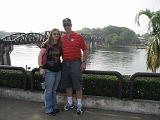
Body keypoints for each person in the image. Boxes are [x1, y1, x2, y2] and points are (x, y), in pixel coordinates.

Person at [60, 18, 88, 115]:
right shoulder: (62, 38)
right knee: (67, 84)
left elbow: (85, 49)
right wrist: (44, 44)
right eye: (65, 25)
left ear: (71, 25)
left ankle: (79, 105)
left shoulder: (78, 36)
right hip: (65, 63)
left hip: (76, 62)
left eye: (68, 25)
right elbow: (53, 45)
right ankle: (70, 103)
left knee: (77, 84)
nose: (67, 27)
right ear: (63, 27)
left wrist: (84, 62)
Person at [38, 28, 62, 116]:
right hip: (49, 71)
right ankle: (48, 108)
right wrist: (40, 67)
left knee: (54, 90)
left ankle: (54, 106)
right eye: (54, 34)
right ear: (51, 35)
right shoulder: (46, 45)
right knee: (48, 91)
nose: (56, 35)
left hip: (58, 71)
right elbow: (40, 56)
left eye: (57, 34)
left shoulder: (60, 45)